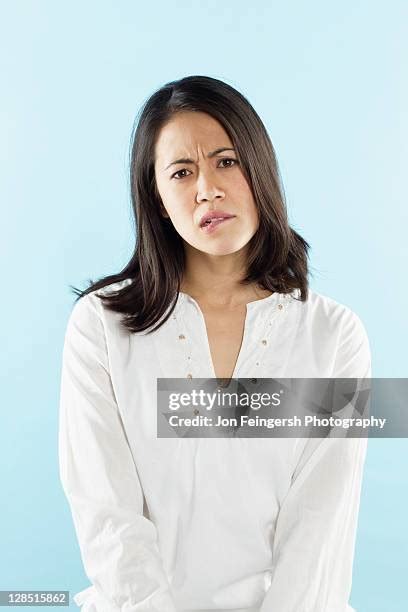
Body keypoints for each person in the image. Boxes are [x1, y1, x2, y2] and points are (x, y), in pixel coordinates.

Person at [58, 75, 371, 612]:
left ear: (260, 170)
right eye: (182, 172)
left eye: (227, 161)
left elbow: (321, 524)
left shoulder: (336, 336)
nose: (208, 188)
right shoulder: (101, 326)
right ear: (157, 199)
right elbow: (105, 511)